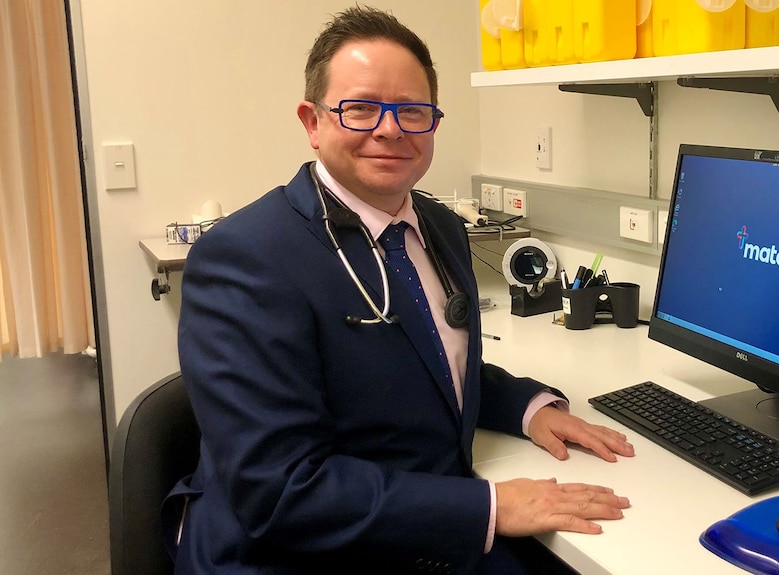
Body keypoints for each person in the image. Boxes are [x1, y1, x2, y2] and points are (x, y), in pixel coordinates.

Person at [164, 6, 634, 574]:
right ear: (312, 122)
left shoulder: (440, 229)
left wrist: (528, 408)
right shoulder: (245, 259)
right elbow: (281, 491)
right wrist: (491, 504)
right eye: (361, 109)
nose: (390, 129)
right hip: (296, 552)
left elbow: (432, 363)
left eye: (412, 111)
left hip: (411, 517)